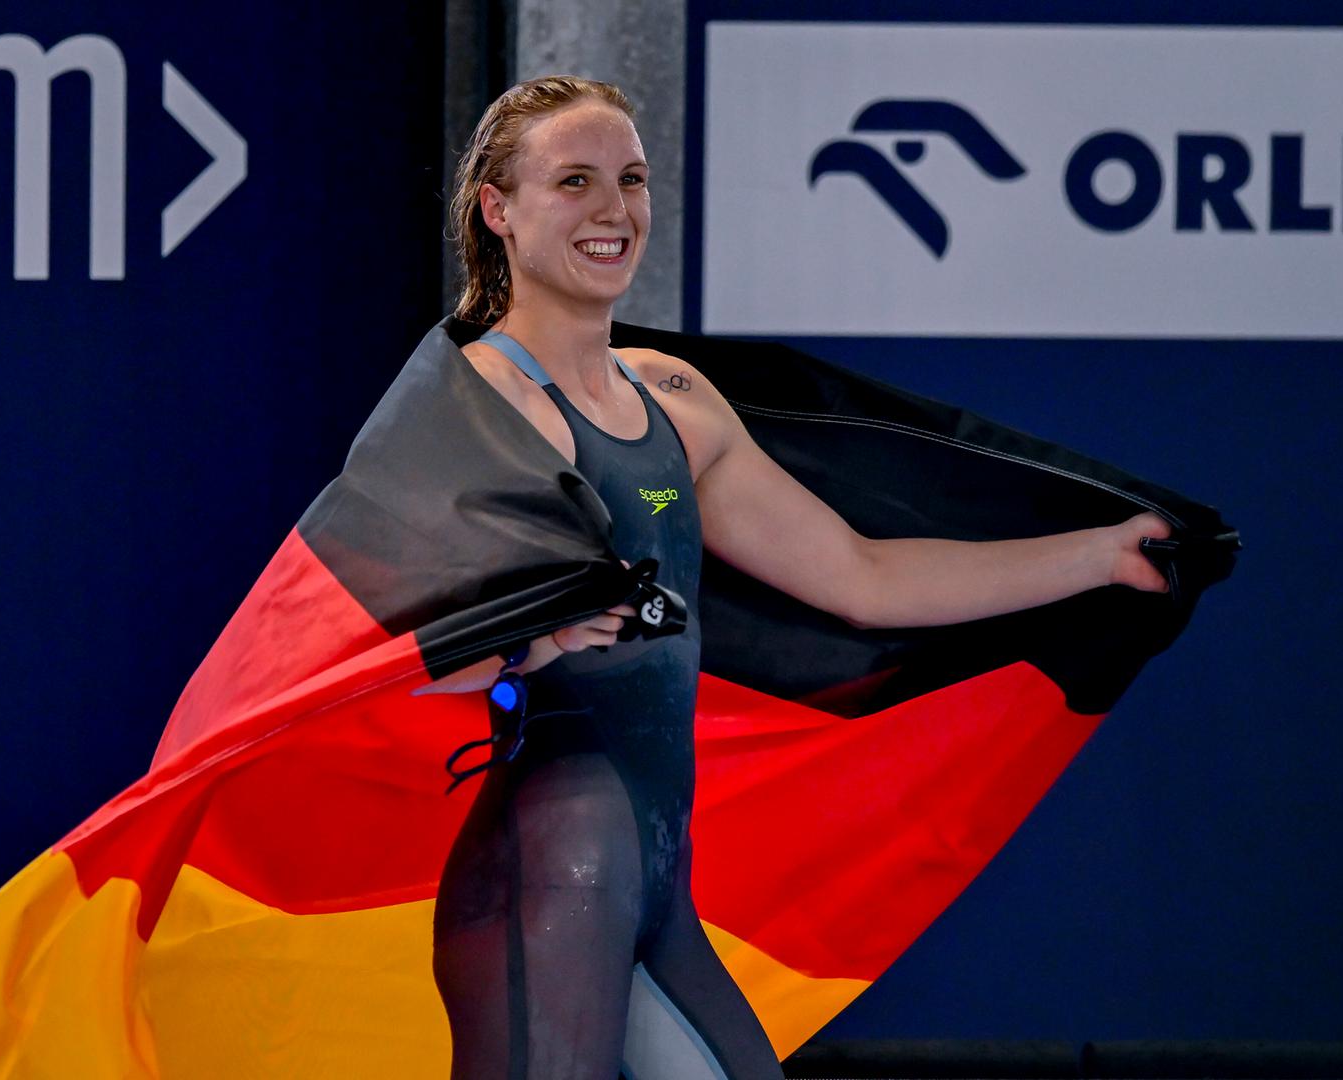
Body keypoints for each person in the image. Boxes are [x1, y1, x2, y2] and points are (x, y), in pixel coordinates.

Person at [417, 75, 1173, 1079]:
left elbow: (864, 577)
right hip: (545, 867)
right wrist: (540, 636)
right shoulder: (475, 398)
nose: (614, 209)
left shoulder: (677, 401)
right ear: (497, 210)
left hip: (652, 878)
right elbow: (415, 648)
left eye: (633, 180)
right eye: (576, 181)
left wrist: (1097, 556)